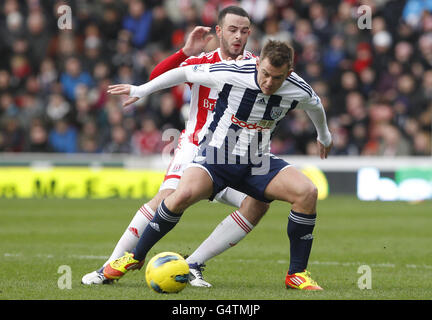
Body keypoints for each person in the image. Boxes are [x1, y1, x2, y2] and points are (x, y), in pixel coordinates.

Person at [104, 39, 333, 290]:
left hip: (256, 160)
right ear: (258, 63)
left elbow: (316, 105)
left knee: (307, 192)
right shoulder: (232, 73)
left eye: (276, 78)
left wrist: (324, 136)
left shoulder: (298, 88)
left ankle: (296, 274)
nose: (268, 82)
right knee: (182, 194)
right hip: (217, 156)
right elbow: (184, 71)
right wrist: (142, 90)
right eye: (265, 74)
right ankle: (135, 256)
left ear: (288, 73)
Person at [81, 6, 269, 287]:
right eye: (232, 30)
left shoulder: (256, 67)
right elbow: (157, 76)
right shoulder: (203, 62)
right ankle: (109, 266)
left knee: (258, 203)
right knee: (165, 198)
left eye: (244, 31)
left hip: (232, 153)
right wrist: (184, 53)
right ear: (218, 32)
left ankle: (194, 263)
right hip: (194, 148)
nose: (238, 36)